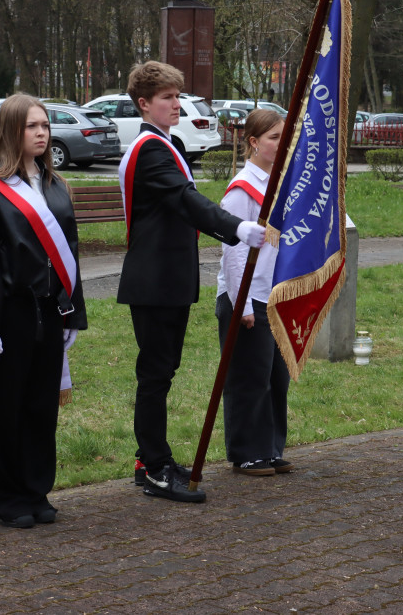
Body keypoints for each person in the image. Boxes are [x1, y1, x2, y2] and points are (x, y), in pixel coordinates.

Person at [118, 61, 266, 503]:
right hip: (156, 280)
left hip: (165, 278)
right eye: (167, 98)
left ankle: (153, 458)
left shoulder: (166, 142)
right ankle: (153, 466)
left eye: (178, 96)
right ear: (144, 104)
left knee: (161, 372)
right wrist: (237, 228)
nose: (176, 105)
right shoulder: (151, 149)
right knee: (156, 375)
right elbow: (186, 200)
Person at [0, 94, 87, 528]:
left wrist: (73, 314)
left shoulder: (56, 186)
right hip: (8, 315)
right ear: (11, 130)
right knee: (3, 408)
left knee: (39, 406)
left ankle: (34, 489)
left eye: (45, 125)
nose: (42, 132)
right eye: (32, 126)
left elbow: (71, 255)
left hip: (49, 311)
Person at [215, 109, 292, 476]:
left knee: (277, 377)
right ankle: (247, 453)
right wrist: (240, 302)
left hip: (274, 296)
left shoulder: (280, 183)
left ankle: (272, 448)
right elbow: (233, 250)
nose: (280, 144)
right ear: (254, 142)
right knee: (249, 378)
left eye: (284, 137)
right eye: (274, 137)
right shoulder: (241, 189)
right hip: (245, 298)